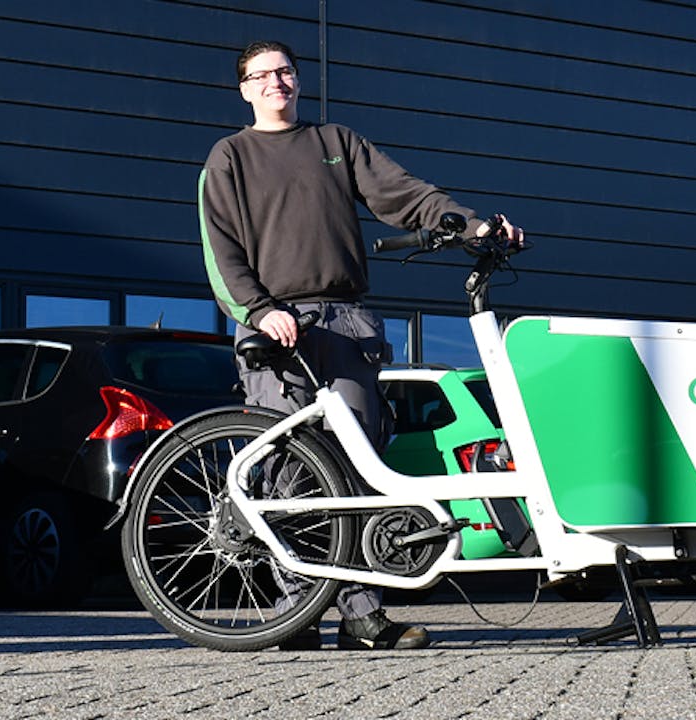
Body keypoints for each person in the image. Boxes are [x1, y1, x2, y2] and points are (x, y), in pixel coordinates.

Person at [198, 39, 522, 651]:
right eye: (262, 75)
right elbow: (222, 254)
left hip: (346, 323)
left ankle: (361, 617)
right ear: (243, 88)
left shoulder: (334, 143)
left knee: (361, 466)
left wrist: (472, 223)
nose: (276, 83)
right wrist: (262, 311)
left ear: (299, 80)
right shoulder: (230, 157)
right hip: (277, 326)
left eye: (285, 72)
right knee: (292, 473)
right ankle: (296, 614)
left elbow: (405, 195)